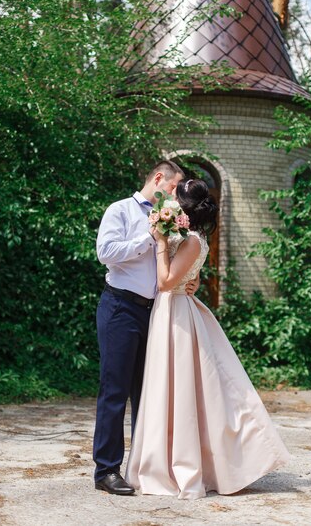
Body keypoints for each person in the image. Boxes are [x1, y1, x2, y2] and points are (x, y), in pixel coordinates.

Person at [126, 178, 290, 499]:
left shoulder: (191, 241)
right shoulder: (192, 238)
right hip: (172, 309)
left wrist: (160, 242)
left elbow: (165, 281)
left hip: (175, 312)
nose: (169, 200)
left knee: (182, 389)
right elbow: (192, 274)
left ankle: (184, 465)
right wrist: (192, 277)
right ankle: (168, 459)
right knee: (170, 388)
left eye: (175, 197)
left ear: (183, 208)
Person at [93, 160, 199, 496]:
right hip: (121, 308)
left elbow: (174, 265)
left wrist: (189, 280)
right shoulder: (121, 210)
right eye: (173, 187)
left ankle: (143, 467)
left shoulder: (174, 221)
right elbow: (105, 253)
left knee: (149, 394)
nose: (175, 196)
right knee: (115, 391)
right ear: (159, 179)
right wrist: (148, 237)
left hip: (157, 313)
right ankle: (106, 471)